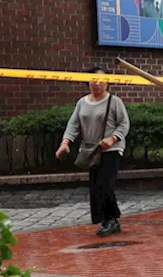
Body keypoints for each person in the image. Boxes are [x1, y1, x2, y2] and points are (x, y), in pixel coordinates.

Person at [56, 70, 130, 236]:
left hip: (112, 149)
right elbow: (73, 125)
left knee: (106, 184)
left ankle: (110, 219)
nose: (97, 83)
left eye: (101, 80)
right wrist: (65, 143)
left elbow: (124, 124)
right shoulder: (82, 102)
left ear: (108, 82)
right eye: (93, 80)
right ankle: (107, 219)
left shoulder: (114, 101)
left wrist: (112, 139)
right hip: (92, 150)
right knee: (96, 186)